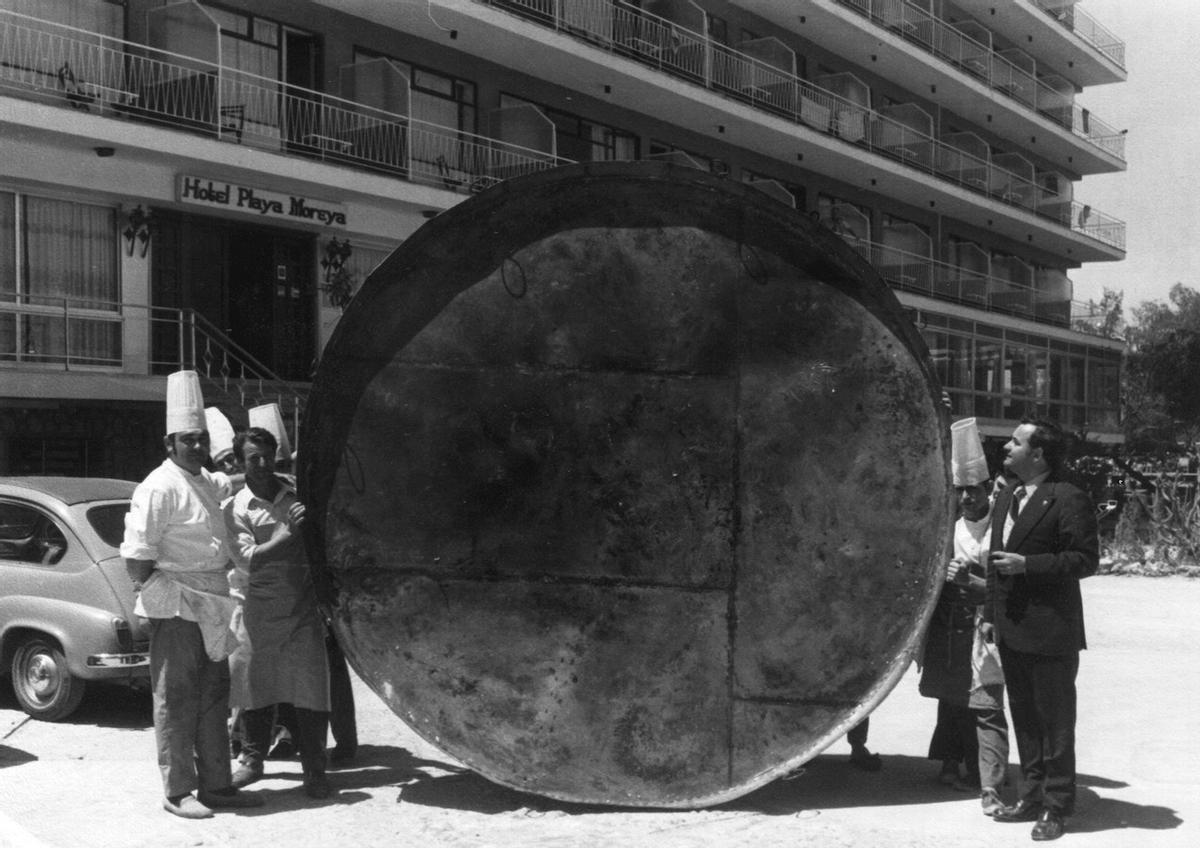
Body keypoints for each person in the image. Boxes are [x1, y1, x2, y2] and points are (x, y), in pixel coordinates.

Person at [120, 370, 263, 820]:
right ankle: (178, 790)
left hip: (214, 600)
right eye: (189, 440)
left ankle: (217, 783)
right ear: (169, 444)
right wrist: (160, 598)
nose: (198, 448)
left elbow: (234, 483)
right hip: (178, 601)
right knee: (176, 697)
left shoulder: (206, 480)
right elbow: (137, 560)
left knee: (213, 695)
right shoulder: (158, 487)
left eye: (203, 439)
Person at [987, 418, 1098, 841]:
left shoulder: (1068, 497)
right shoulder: (1008, 497)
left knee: (1055, 725)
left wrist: (1029, 565)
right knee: (1026, 720)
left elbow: (1085, 560)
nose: (1006, 448)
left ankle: (1056, 806)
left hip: (1052, 634)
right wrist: (990, 618)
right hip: (1012, 629)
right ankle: (1030, 796)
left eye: (1015, 442)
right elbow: (993, 566)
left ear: (1038, 454)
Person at [225, 426, 332, 799]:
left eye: (268, 456)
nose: (262, 464)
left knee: (311, 690)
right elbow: (246, 558)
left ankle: (316, 771)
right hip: (256, 610)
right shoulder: (235, 508)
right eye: (253, 458)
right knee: (257, 687)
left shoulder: (294, 496)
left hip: (301, 609)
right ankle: (252, 762)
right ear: (241, 462)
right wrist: (287, 535)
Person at [920, 417, 1009, 814]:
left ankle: (984, 776)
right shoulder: (950, 528)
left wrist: (973, 580)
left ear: (988, 489)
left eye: (972, 491)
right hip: (949, 625)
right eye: (960, 492)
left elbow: (1003, 582)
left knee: (983, 703)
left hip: (984, 623)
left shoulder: (1001, 529)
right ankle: (950, 763)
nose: (967, 499)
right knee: (950, 699)